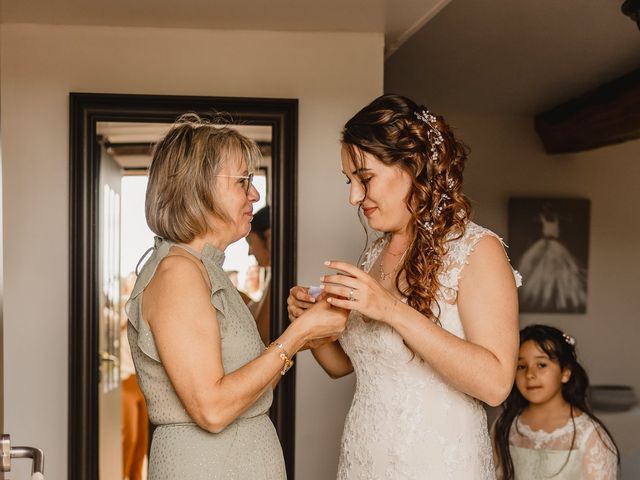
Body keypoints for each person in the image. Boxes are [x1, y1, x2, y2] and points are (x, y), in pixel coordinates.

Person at [287, 94, 521, 478]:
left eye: (364, 179)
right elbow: (345, 366)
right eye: (350, 182)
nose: (354, 197)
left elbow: (495, 384)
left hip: (436, 462)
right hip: (365, 457)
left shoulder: (477, 250)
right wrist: (313, 327)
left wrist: (392, 310)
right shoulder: (375, 254)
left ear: (413, 166)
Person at [126, 114, 348, 479]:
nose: (255, 194)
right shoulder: (178, 273)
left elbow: (244, 390)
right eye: (243, 181)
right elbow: (212, 410)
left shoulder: (206, 268)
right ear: (198, 189)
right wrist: (295, 338)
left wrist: (303, 335)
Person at [492, 325, 619, 479]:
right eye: (521, 366)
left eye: (541, 365)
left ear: (565, 372)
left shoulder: (589, 435)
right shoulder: (505, 424)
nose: (530, 374)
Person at [517, 203, 586, 312]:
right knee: (541, 267)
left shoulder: (556, 218)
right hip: (545, 242)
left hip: (555, 243)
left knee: (561, 268)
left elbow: (565, 220)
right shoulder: (543, 218)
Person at [120, 272, 148, 480]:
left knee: (142, 440)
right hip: (125, 381)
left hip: (142, 382)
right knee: (129, 437)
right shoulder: (122, 309)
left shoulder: (144, 306)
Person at [245, 205, 272, 344]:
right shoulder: (271, 275)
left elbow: (261, 333)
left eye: (250, 242)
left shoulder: (277, 279)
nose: (250, 252)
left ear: (269, 237)